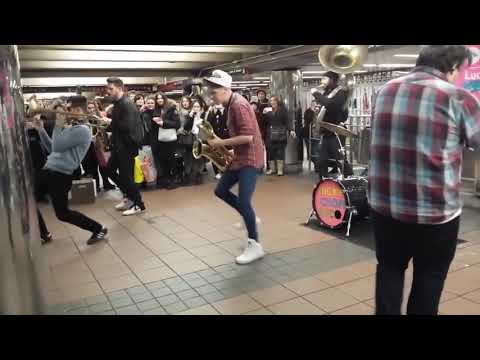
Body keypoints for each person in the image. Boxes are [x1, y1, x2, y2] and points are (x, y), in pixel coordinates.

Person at [369, 45, 479, 315]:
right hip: (435, 214)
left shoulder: (384, 91)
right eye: (461, 71)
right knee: (429, 276)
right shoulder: (459, 98)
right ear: (451, 67)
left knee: (389, 269)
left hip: (385, 208)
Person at [205, 70, 265, 265]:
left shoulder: (238, 105)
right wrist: (229, 149)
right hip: (240, 157)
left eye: (213, 92)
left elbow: (248, 137)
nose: (210, 95)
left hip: (250, 159)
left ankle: (254, 245)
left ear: (225, 89)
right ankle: (250, 218)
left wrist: (221, 144)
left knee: (245, 201)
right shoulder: (229, 104)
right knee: (221, 190)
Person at [36, 103, 107, 245]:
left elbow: (56, 146)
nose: (70, 112)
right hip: (49, 170)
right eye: (69, 110)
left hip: (60, 175)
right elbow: (53, 149)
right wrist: (41, 130)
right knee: (28, 200)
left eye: (75, 109)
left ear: (83, 111)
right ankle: (43, 233)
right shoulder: (71, 128)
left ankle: (98, 228)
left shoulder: (83, 130)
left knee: (62, 214)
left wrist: (58, 126)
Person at [105, 77, 146, 215]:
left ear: (120, 88)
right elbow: (116, 125)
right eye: (108, 88)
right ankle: (128, 196)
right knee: (109, 170)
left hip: (127, 146)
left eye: (111, 89)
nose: (108, 91)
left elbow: (126, 126)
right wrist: (106, 124)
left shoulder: (126, 104)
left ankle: (138, 204)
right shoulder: (117, 104)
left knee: (126, 177)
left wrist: (110, 121)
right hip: (119, 145)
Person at [311, 71, 353, 180]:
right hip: (325, 132)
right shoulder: (327, 92)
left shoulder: (340, 93)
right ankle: (323, 181)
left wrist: (316, 93)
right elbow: (325, 104)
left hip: (336, 132)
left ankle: (349, 179)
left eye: (324, 79)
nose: (322, 82)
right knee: (321, 160)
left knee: (340, 159)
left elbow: (330, 104)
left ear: (332, 80)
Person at [153, 92, 181, 190]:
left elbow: (177, 124)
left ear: (164, 99)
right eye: (157, 99)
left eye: (161, 98)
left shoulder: (171, 109)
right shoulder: (156, 110)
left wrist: (163, 123)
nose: (159, 100)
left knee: (171, 160)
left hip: (170, 139)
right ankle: (167, 180)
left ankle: (174, 180)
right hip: (160, 139)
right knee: (163, 160)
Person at [264, 96, 295, 176]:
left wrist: (291, 130)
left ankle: (280, 170)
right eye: (271, 100)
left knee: (280, 152)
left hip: (280, 134)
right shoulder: (268, 110)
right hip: (270, 134)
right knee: (270, 152)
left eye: (274, 100)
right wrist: (263, 114)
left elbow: (288, 121)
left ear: (278, 101)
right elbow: (264, 122)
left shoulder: (283, 110)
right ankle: (272, 169)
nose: (272, 102)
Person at [183, 99, 207, 185]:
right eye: (194, 107)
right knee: (190, 158)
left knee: (200, 158)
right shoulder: (189, 116)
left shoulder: (204, 116)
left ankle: (199, 175)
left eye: (197, 107)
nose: (196, 108)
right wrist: (190, 117)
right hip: (191, 139)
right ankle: (189, 175)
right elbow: (186, 128)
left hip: (201, 139)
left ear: (201, 108)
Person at [207, 102, 229, 179]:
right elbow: (208, 124)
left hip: (226, 137)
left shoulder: (227, 111)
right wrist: (211, 113)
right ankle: (217, 172)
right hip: (214, 136)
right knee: (215, 154)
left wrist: (222, 112)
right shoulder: (211, 112)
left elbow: (226, 124)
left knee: (226, 154)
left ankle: (226, 171)